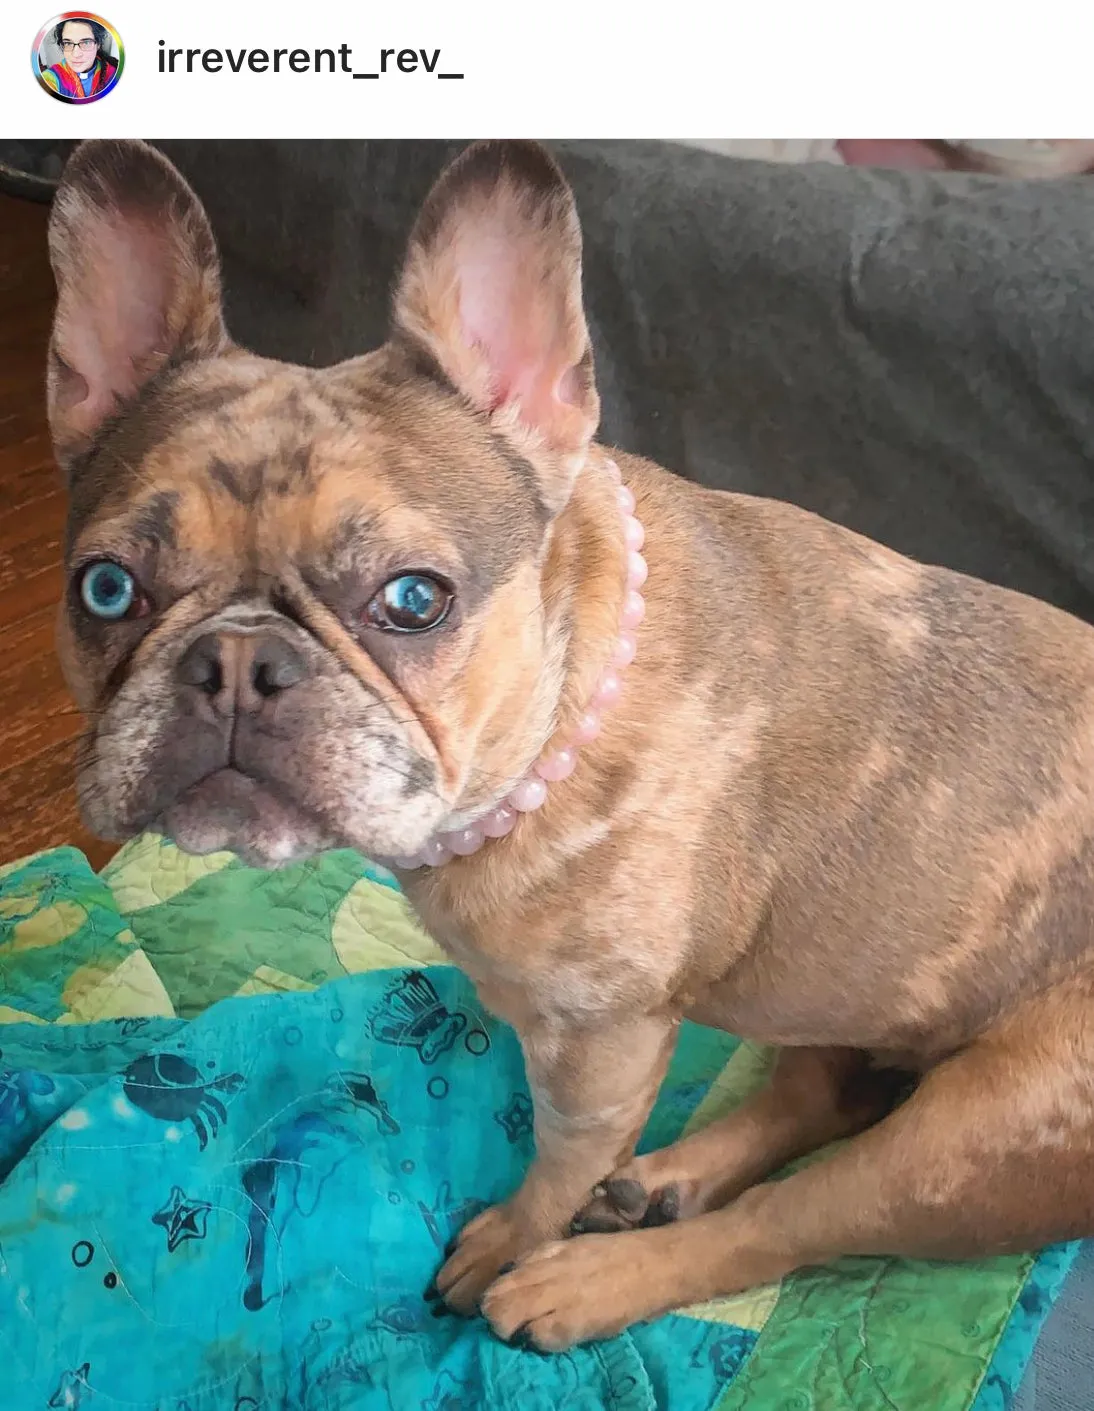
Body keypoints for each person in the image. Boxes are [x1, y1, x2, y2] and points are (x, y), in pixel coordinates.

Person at [41, 17, 117, 101]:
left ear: (98, 44)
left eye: (86, 42)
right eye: (68, 43)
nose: (76, 54)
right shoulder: (50, 78)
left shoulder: (113, 75)